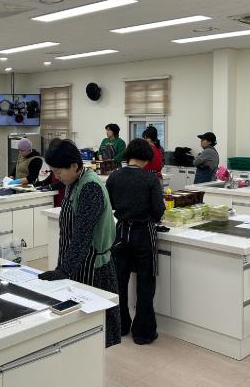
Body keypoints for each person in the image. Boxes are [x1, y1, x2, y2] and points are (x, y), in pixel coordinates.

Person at [38, 139, 120, 347]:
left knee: (91, 331)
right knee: (76, 332)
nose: (56, 176)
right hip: (76, 263)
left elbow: (83, 235)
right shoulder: (74, 181)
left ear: (74, 165)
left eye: (58, 172)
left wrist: (63, 270)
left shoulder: (90, 187)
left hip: (92, 268)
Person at [106, 138, 165, 345]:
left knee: (119, 281)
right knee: (145, 282)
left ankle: (120, 326)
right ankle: (143, 332)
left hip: (121, 231)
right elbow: (158, 210)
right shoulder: (150, 179)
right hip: (143, 232)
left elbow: (109, 203)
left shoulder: (115, 175)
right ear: (147, 158)